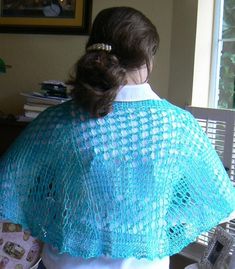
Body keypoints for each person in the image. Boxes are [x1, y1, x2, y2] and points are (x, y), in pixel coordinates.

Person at [1, 6, 235, 269]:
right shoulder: (178, 126)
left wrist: (54, 218)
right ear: (147, 59)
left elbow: (9, 184)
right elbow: (223, 201)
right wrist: (155, 227)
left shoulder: (58, 121)